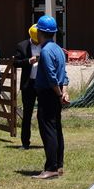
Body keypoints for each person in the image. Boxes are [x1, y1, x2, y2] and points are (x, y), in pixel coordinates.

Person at [33, 15, 70, 179]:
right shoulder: (58, 49)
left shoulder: (46, 51)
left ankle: (51, 168)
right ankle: (59, 164)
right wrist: (64, 92)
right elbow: (64, 75)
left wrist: (59, 93)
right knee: (56, 129)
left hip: (49, 93)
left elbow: (51, 76)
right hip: (56, 93)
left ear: (40, 32)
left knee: (48, 130)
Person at [11, 24, 40, 149]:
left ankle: (48, 141)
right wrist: (28, 61)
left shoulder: (46, 45)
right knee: (27, 114)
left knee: (43, 114)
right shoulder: (22, 45)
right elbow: (16, 63)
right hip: (28, 85)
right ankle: (25, 142)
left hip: (42, 84)